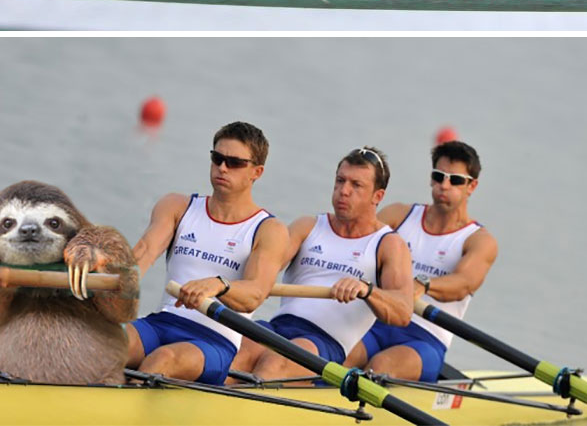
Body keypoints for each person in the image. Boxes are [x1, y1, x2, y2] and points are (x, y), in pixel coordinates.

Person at [126, 121, 288, 385]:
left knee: (162, 359)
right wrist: (104, 272)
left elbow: (255, 294)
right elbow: (142, 254)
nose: (222, 167)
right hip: (161, 323)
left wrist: (219, 285)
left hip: (214, 341)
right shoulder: (177, 206)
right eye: (217, 158)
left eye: (234, 163)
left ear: (256, 172)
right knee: (108, 343)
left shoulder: (269, 229)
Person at [232, 146, 413, 378]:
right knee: (237, 353)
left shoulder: (388, 245)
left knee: (275, 364)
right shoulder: (307, 226)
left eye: (356, 185)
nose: (343, 191)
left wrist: (367, 290)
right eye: (340, 181)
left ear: (377, 196)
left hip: (324, 341)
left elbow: (403, 312)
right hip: (277, 326)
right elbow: (261, 270)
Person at [346, 140, 497, 382]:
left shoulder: (479, 240)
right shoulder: (398, 215)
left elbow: (463, 284)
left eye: (455, 180)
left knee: (380, 366)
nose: (444, 185)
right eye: (438, 176)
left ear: (472, 186)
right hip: (377, 322)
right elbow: (355, 247)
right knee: (340, 355)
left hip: (425, 338)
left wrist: (422, 285)